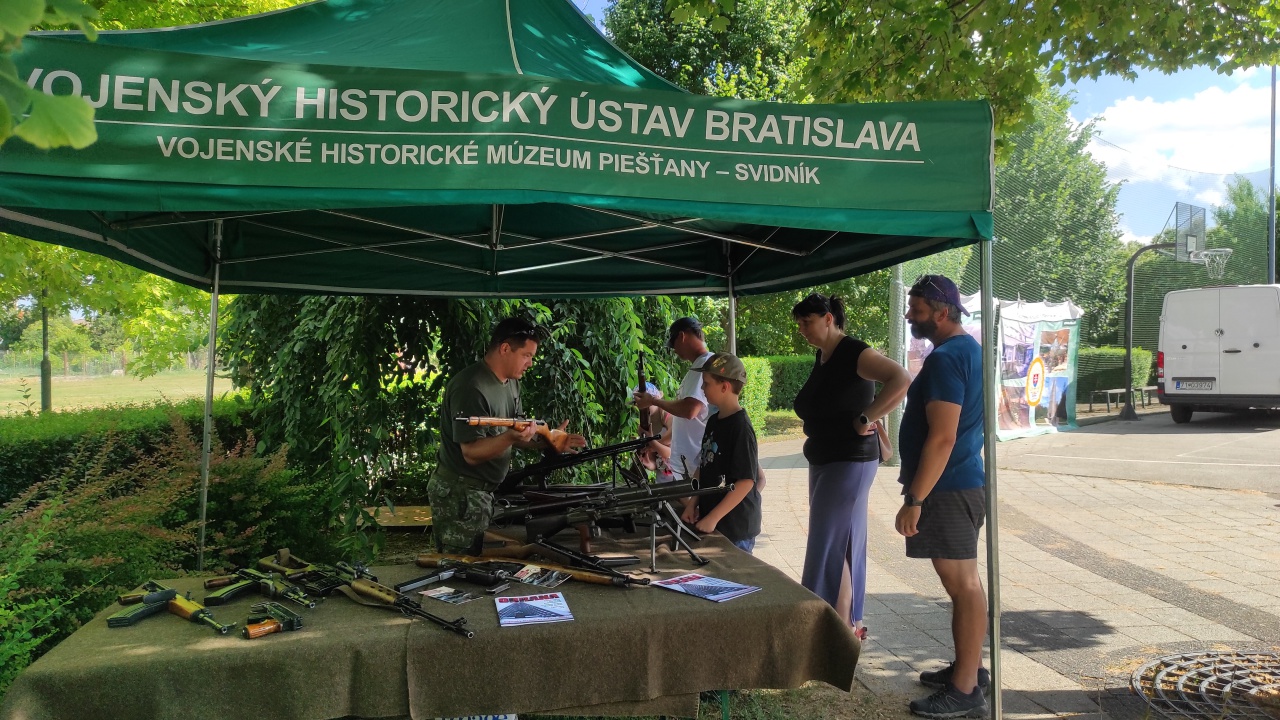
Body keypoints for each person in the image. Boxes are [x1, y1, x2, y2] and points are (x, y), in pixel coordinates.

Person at [895, 275, 989, 719]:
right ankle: (969, 670)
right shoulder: (968, 349)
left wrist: (914, 498)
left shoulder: (948, 358)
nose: (909, 315)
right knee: (964, 584)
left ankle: (965, 690)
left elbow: (943, 437)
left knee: (963, 585)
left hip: (947, 488)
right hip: (959, 484)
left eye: (916, 309)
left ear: (942, 311)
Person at [791, 293, 910, 642]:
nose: (802, 330)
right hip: (827, 459)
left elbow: (901, 378)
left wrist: (867, 417)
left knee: (828, 542)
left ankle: (832, 626)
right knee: (840, 541)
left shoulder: (855, 352)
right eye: (799, 324)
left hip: (849, 461)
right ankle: (845, 625)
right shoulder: (823, 355)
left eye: (807, 322)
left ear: (828, 319)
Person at [428, 317, 586, 555]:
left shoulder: (511, 383)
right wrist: (511, 438)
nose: (530, 363)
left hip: (482, 493)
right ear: (504, 348)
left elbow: (519, 433)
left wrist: (550, 442)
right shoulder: (471, 387)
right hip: (460, 493)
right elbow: (471, 453)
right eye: (526, 355)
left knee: (480, 562)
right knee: (459, 566)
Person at [681, 353, 761, 554]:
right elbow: (703, 465)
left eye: (706, 384)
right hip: (714, 523)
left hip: (735, 528)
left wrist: (713, 517)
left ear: (724, 387)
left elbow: (746, 481)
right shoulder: (713, 421)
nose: (702, 388)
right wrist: (693, 503)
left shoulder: (741, 427)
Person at [633, 317, 714, 481]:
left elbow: (690, 410)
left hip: (699, 463)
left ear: (682, 336)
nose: (674, 350)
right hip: (690, 465)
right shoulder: (697, 367)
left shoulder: (704, 365)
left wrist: (653, 401)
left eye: (674, 344)